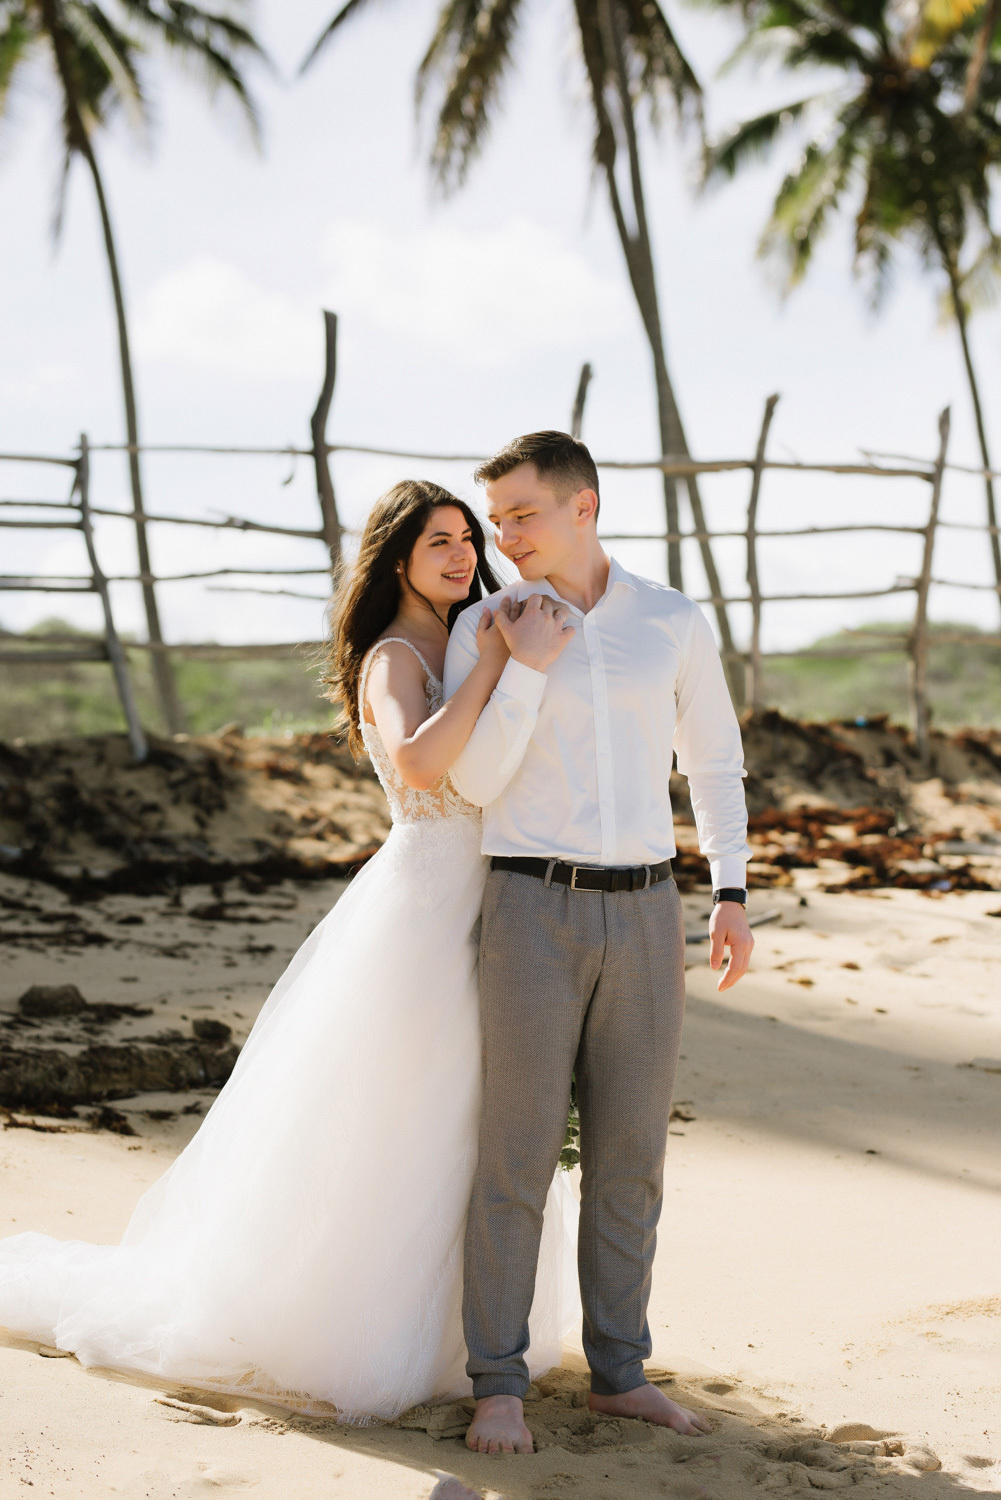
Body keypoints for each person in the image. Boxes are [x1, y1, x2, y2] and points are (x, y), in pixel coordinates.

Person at [0, 479, 579, 1433]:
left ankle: (461, 1334)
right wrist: (496, 670)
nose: (462, 555)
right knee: (403, 1122)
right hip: (424, 912)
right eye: (438, 542)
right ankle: (356, 1331)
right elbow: (424, 767)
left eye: (467, 539)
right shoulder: (397, 657)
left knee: (476, 1123)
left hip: (497, 899)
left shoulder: (474, 632)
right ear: (395, 559)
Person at [443, 432, 754, 1456]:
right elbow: (475, 782)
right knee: (515, 1156)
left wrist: (729, 891)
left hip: (647, 910)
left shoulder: (669, 620)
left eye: (521, 514)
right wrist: (520, 663)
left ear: (585, 507)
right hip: (530, 909)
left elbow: (712, 760)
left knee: (630, 1157)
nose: (504, 536)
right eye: (497, 519)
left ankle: (620, 1372)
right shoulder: (485, 626)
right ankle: (498, 1383)